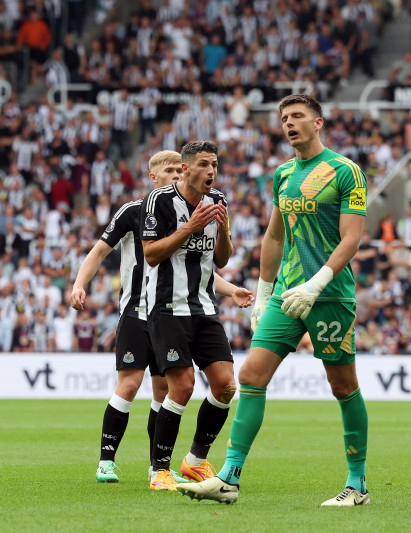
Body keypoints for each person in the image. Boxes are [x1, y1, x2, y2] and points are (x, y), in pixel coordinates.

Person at [178, 94, 370, 506]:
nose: (289, 123)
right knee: (250, 376)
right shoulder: (282, 174)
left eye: (298, 116)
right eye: (284, 118)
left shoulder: (345, 172)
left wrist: (317, 282)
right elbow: (275, 235)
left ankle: (358, 484)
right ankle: (229, 477)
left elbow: (352, 238)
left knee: (343, 386)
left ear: (318, 123)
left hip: (330, 294)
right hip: (286, 294)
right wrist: (265, 292)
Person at [70, 150, 253, 485]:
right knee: (129, 383)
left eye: (176, 170)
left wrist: (230, 291)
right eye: (167, 170)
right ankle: (107, 461)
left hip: (183, 310)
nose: (173, 175)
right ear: (152, 177)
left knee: (164, 391)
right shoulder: (136, 211)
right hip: (139, 311)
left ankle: (159, 467)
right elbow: (99, 251)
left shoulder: (204, 203)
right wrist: (80, 284)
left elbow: (200, 266)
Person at [140, 141, 238, 491]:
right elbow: (151, 255)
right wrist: (189, 228)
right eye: (204, 165)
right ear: (185, 168)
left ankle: (195, 461)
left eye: (214, 164)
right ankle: (159, 471)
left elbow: (222, 259)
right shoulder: (159, 201)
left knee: (226, 386)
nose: (211, 171)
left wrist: (222, 229)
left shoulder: (219, 201)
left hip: (205, 307)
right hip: (167, 307)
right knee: (182, 386)